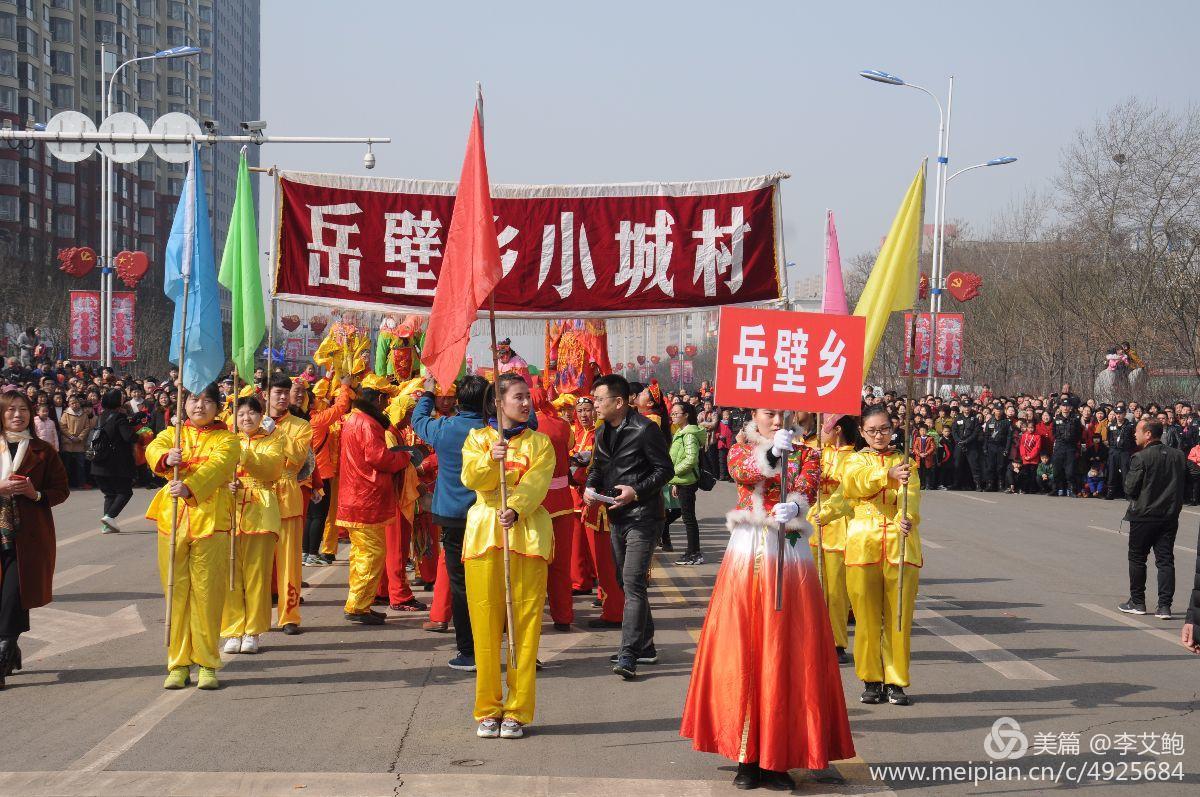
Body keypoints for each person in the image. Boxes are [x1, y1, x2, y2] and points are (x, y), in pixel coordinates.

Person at [681, 407, 854, 790]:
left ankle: (779, 756)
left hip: (790, 552)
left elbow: (813, 483)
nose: (776, 421)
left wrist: (798, 504)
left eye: (782, 414)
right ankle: (745, 755)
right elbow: (745, 472)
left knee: (788, 649)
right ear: (754, 417)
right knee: (743, 646)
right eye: (768, 414)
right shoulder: (741, 446)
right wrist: (774, 455)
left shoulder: (807, 451)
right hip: (747, 551)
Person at [460, 373, 554, 739]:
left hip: (526, 535)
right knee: (484, 626)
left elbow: (537, 482)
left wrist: (515, 507)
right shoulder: (477, 439)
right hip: (485, 533)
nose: (526, 402)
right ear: (498, 403)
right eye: (518, 396)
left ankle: (517, 710)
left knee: (525, 628)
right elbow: (470, 478)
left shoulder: (540, 443)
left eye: (527, 396)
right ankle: (487, 708)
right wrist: (490, 460)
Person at [815, 405, 922, 707]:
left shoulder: (906, 462)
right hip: (863, 545)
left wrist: (907, 515)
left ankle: (896, 680)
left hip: (900, 548)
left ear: (894, 428)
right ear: (861, 432)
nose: (879, 435)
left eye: (884, 429)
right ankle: (871, 679)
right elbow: (853, 486)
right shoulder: (855, 461)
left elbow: (910, 496)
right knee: (866, 618)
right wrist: (885, 475)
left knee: (898, 617)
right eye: (872, 430)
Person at [145, 384, 240, 690]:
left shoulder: (227, 439)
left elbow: (219, 466)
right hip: (173, 520)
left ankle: (208, 662)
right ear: (184, 403)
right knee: (176, 592)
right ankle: (178, 662)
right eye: (194, 399)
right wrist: (165, 457)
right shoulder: (174, 434)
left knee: (207, 595)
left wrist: (190, 486)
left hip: (211, 521)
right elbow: (153, 448)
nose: (200, 406)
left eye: (207, 401)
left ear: (218, 406)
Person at [586, 374, 674, 680]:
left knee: (633, 582)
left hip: (644, 516)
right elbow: (598, 467)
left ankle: (629, 653)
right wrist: (590, 487)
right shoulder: (601, 432)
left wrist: (635, 491)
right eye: (594, 399)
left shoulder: (645, 429)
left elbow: (665, 470)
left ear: (619, 402)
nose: (595, 405)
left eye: (599, 399)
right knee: (626, 583)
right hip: (616, 515)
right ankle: (646, 645)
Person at [412, 375, 487, 671]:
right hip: (485, 516)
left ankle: (468, 651)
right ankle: (494, 646)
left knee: (460, 586)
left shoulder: (443, 428)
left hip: (452, 515)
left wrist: (428, 394)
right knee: (491, 582)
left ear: (457, 400)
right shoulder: (492, 431)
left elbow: (418, 419)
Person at [0, 391, 70, 689]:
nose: (18, 415)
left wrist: (35, 494)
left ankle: (2, 652)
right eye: (11, 410)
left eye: (23, 410)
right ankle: (11, 648)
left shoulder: (43, 450)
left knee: (14, 595)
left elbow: (61, 489)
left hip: (28, 537)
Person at [336, 374, 411, 625]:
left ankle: (359, 603)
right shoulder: (367, 423)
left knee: (360, 554)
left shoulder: (354, 419)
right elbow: (380, 458)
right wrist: (404, 459)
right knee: (372, 554)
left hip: (354, 497)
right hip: (366, 500)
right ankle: (358, 606)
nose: (386, 405)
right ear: (379, 399)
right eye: (385, 400)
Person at [220, 396, 285, 656]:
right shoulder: (227, 441)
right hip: (230, 510)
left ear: (261, 415)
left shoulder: (274, 439)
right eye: (241, 414)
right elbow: (217, 470)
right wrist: (227, 484)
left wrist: (244, 454)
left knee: (257, 576)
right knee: (231, 575)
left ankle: (253, 631)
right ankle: (233, 629)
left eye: (251, 413)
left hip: (261, 508)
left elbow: (271, 470)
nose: (246, 418)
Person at [1119, 419, 1188, 619]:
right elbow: (1192, 475)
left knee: (1138, 558)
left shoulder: (1140, 458)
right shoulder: (1178, 456)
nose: (1134, 434)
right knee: (1165, 560)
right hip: (1169, 516)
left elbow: (1130, 488)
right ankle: (1164, 606)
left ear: (1148, 434)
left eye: (1138, 431)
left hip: (1144, 516)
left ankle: (1138, 601)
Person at [266, 375, 313, 635]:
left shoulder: (301, 426)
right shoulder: (250, 420)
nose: (283, 397)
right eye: (277, 393)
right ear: (266, 395)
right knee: (256, 562)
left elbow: (297, 456)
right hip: (255, 500)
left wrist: (274, 432)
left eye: (286, 392)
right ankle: (255, 615)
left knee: (289, 561)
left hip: (287, 497)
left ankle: (290, 615)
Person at [91, 389, 138, 534]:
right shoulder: (119, 418)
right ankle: (110, 517)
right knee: (125, 492)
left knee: (110, 494)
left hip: (98, 463)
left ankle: (107, 525)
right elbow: (129, 437)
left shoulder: (101, 416)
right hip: (116, 465)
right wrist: (140, 435)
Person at [665, 401, 705, 565]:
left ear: (686, 415)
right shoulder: (681, 432)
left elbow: (690, 460)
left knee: (689, 519)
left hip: (687, 481)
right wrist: (675, 482)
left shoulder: (688, 435)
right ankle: (693, 552)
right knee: (688, 517)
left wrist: (672, 474)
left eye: (676, 413)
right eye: (672, 414)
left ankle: (694, 553)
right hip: (681, 480)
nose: (673, 416)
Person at [59, 394, 95, 489]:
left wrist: (79, 438)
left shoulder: (83, 415)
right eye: (72, 403)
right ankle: (66, 484)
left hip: (79, 443)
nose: (74, 404)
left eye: (76, 402)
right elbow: (62, 427)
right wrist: (71, 437)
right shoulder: (66, 414)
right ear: (69, 404)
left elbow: (86, 427)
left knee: (81, 465)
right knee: (67, 465)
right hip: (68, 442)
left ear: (79, 403)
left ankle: (81, 483)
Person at [1051, 399, 1081, 497]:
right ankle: (1055, 489)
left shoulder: (1075, 419)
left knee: (1070, 471)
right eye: (1063, 406)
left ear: (1071, 408)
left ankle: (1071, 490)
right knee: (1056, 470)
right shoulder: (1056, 419)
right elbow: (1053, 433)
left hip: (1070, 447)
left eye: (1067, 406)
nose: (1065, 408)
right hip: (1059, 446)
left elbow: (1078, 434)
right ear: (1060, 407)